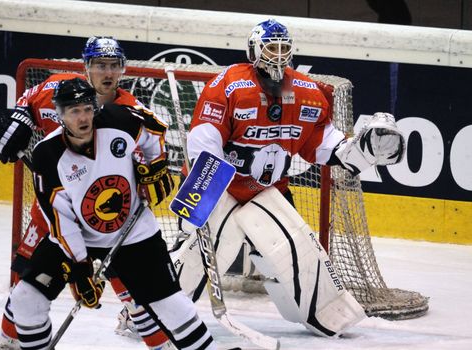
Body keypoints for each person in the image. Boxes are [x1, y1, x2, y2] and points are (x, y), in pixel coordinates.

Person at [170, 19, 405, 337]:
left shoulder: (306, 92)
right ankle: (150, 311)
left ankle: (327, 315)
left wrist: (361, 150)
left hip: (267, 191)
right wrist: (196, 207)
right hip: (220, 188)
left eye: (284, 47)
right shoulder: (228, 86)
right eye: (271, 47)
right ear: (254, 50)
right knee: (197, 254)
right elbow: (204, 148)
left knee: (295, 250)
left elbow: (325, 147)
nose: (278, 54)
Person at [7, 77, 216, 350]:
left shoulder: (119, 119)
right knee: (25, 299)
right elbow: (61, 221)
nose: (83, 118)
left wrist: (157, 167)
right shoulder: (47, 154)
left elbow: (154, 128)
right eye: (74, 111)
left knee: (170, 304)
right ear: (60, 115)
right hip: (78, 237)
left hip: (134, 232)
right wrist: (81, 269)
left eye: (87, 109)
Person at [0, 37, 173, 349]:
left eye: (114, 65)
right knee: (26, 287)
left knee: (135, 292)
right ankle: (9, 344)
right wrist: (20, 118)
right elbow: (29, 98)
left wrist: (154, 169)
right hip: (56, 214)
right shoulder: (57, 88)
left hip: (108, 220)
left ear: (122, 69)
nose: (108, 72)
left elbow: (155, 148)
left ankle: (162, 344)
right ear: (86, 67)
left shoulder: (130, 111)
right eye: (100, 65)